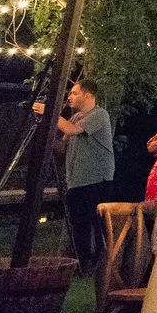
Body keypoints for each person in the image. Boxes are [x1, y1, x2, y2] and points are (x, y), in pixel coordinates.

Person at [34, 78, 113, 273]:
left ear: (88, 95)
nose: (70, 96)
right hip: (76, 181)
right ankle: (84, 266)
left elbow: (72, 130)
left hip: (97, 180)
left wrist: (49, 112)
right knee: (79, 227)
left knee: (98, 225)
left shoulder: (100, 115)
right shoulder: (76, 117)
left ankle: (105, 264)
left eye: (74, 93)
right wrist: (47, 133)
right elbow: (63, 147)